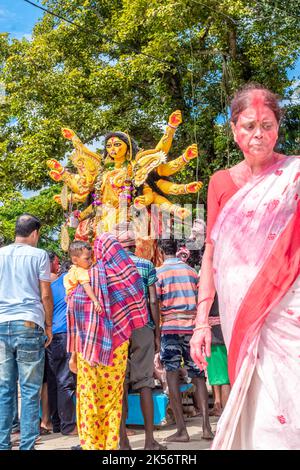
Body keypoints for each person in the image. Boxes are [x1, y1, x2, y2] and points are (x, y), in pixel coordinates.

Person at [190, 83, 300, 450]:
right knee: (252, 396)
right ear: (234, 128)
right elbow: (211, 254)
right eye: (250, 125)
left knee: (287, 394)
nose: (259, 134)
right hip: (239, 312)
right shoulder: (221, 182)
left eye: (267, 125)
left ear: (278, 129)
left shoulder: (294, 175)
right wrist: (201, 321)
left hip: (287, 309)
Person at [67, 233, 148, 450]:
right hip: (117, 347)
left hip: (88, 348)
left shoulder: (87, 277)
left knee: (90, 397)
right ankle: (110, 445)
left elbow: (74, 314)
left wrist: (73, 354)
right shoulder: (127, 277)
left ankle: (92, 444)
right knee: (112, 398)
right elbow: (137, 305)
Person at [0, 214, 53, 450]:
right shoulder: (39, 255)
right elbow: (45, 294)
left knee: (4, 388)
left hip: (2, 323)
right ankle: (27, 445)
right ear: (34, 233)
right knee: (30, 389)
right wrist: (49, 325)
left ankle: (2, 444)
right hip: (30, 323)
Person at [156, 238, 213, 442]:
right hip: (192, 329)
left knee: (171, 375)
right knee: (198, 376)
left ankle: (182, 430)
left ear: (161, 251)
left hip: (170, 328)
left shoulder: (159, 273)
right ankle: (206, 428)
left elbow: (156, 302)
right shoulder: (191, 272)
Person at [115, 223, 166, 450]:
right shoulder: (146, 265)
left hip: (117, 330)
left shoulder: (108, 267)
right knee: (145, 383)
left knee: (119, 385)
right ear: (135, 245)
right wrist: (156, 333)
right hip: (142, 326)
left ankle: (123, 443)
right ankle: (149, 442)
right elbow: (153, 301)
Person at [46, 259, 77, 435]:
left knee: (56, 381)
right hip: (67, 333)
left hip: (53, 335)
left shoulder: (53, 285)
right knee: (67, 382)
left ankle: (58, 423)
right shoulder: (72, 283)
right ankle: (69, 426)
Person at [206, 295, 230, 417]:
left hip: (214, 335)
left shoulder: (208, 286)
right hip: (226, 333)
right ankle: (217, 404)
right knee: (218, 375)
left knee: (224, 378)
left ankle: (225, 413)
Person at [63, 241, 102, 313]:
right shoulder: (80, 271)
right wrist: (95, 301)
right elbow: (86, 286)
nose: (90, 261)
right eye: (87, 258)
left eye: (91, 258)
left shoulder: (73, 268)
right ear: (75, 260)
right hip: (81, 302)